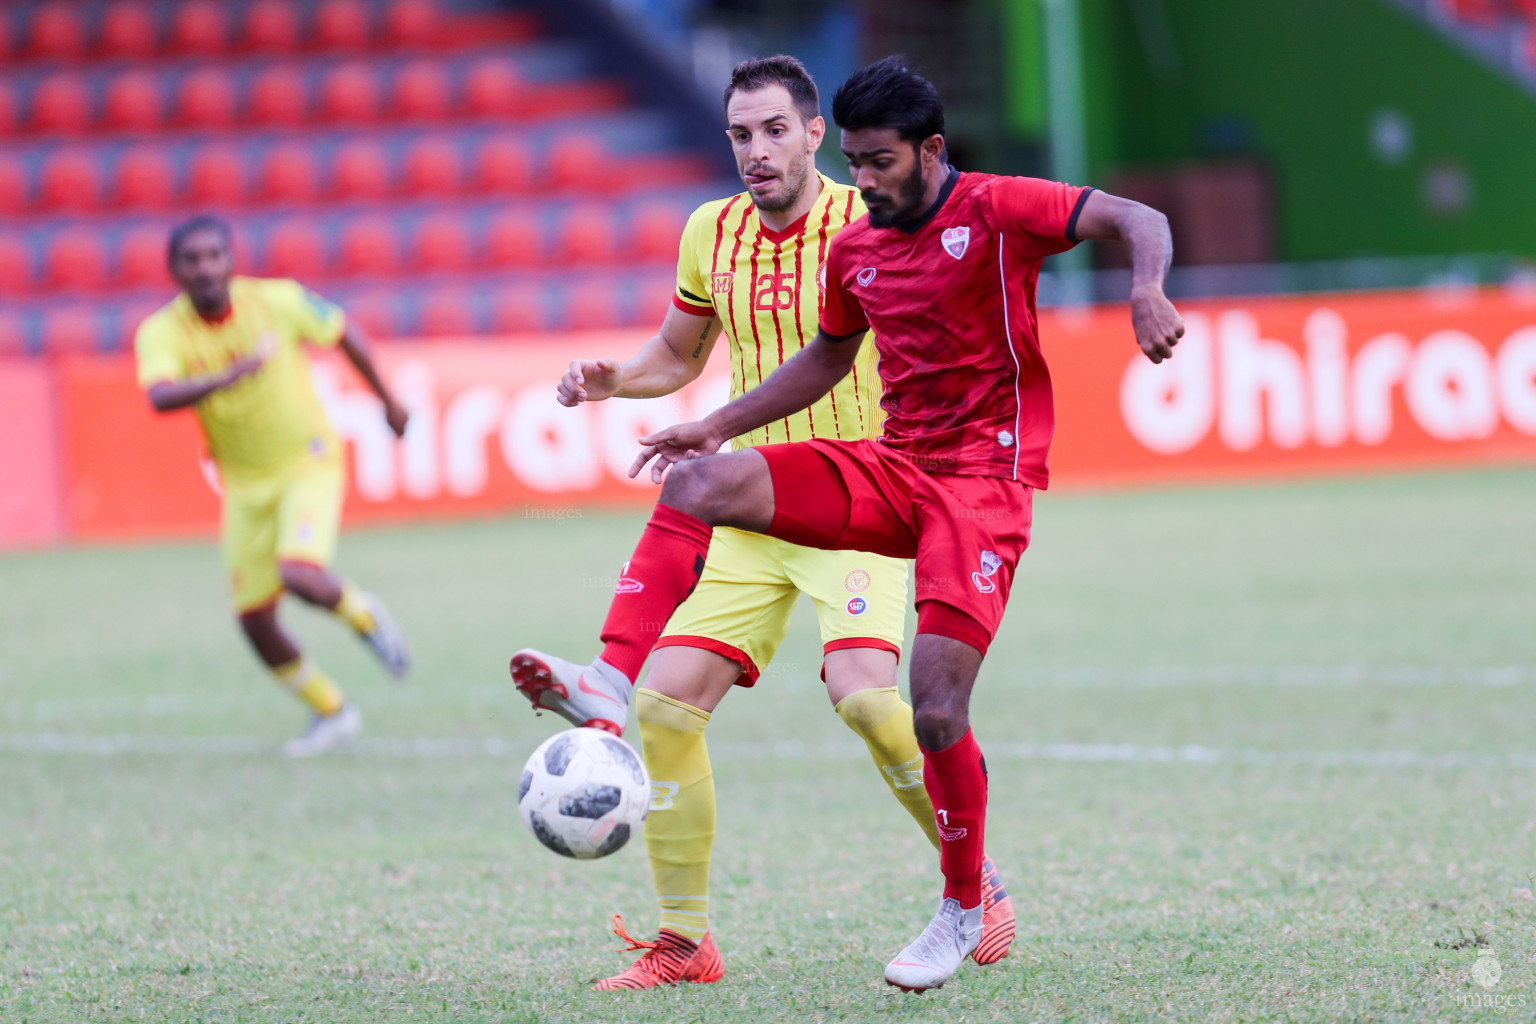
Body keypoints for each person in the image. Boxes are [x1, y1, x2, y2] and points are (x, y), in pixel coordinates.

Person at [512, 55, 1183, 991]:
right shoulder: (757, 237)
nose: (758, 152)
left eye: (775, 131)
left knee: (889, 701)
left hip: (955, 485)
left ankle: (969, 889)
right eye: (739, 134)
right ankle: (626, 747)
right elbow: (780, 354)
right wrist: (686, 414)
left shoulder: (939, 211)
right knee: (684, 550)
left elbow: (1133, 217)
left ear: (821, 134)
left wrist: (1145, 288)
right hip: (831, 482)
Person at [134, 215, 412, 758]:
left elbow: (343, 331)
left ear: (231, 260)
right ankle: (332, 710)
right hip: (243, 485)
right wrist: (230, 375)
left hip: (306, 460)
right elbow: (159, 396)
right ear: (175, 271)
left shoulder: (277, 301)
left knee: (299, 573)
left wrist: (388, 400)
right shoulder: (161, 332)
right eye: (192, 260)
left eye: (214, 255)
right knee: (255, 621)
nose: (205, 268)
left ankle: (363, 614)